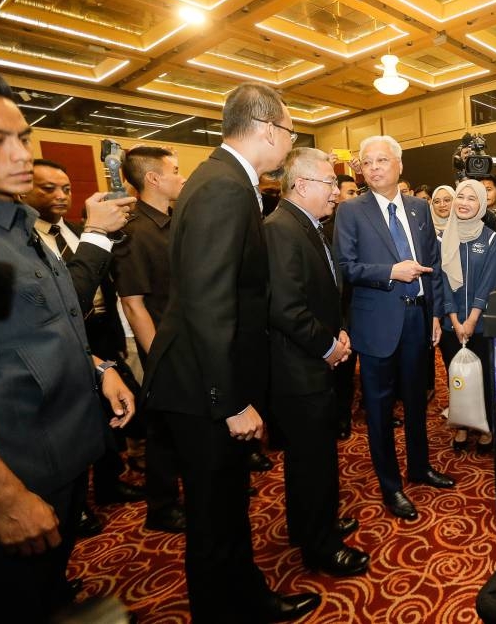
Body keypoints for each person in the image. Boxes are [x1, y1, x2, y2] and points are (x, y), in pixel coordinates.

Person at [141, 82, 320, 622]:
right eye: (289, 131)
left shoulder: (221, 177)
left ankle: (246, 598)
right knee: (215, 518)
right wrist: (230, 401)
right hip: (202, 388)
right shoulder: (225, 187)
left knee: (224, 510)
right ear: (267, 128)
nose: (289, 143)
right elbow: (209, 301)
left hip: (204, 380)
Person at [0, 69, 136, 622]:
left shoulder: (19, 224)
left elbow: (51, 318)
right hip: (17, 468)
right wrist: (3, 496)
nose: (20, 154)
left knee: (45, 588)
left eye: (21, 136)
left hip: (62, 451)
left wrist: (98, 368)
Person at [335, 135, 455, 521]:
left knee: (417, 400)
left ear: (399, 165)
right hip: (375, 325)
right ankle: (391, 486)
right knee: (380, 409)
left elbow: (433, 267)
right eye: (366, 162)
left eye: (381, 160)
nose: (372, 168)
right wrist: (391, 271)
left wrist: (434, 314)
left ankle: (420, 467)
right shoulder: (351, 211)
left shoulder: (420, 208)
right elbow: (345, 266)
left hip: (418, 319)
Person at [21, 159, 144, 530]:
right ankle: (70, 506)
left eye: (66, 189)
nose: (60, 196)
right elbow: (62, 300)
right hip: (54, 345)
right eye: (48, 189)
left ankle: (107, 485)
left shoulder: (77, 231)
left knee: (106, 421)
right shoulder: (26, 241)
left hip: (99, 338)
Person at [264, 148, 369, 576]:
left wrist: (337, 331)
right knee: (313, 461)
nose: (336, 194)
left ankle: (311, 524)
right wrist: (329, 346)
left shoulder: (304, 224)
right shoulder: (280, 230)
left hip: (310, 359)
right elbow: (285, 308)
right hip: (298, 368)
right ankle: (321, 547)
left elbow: (320, 291)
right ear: (303, 184)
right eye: (330, 183)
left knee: (312, 458)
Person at [113, 145, 188, 534]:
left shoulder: (174, 222)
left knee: (183, 426)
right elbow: (133, 304)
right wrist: (161, 359)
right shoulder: (134, 232)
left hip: (189, 343)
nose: (182, 176)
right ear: (154, 179)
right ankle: (161, 505)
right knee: (161, 428)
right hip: (164, 348)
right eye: (175, 170)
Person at [437, 180, 496, 454]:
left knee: (483, 377)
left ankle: (486, 427)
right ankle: (462, 425)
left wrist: (472, 319)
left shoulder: (489, 238)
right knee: (457, 377)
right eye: (459, 197)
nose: (463, 202)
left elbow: (488, 282)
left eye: (471, 198)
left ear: (481, 205)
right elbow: (442, 283)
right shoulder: (442, 237)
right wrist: (453, 319)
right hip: (451, 325)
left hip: (482, 323)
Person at [326, 173, 360, 439]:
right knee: (343, 370)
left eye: (356, 192)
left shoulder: (366, 226)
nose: (354, 197)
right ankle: (341, 418)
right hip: (339, 311)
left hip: (365, 306)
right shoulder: (324, 229)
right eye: (349, 192)